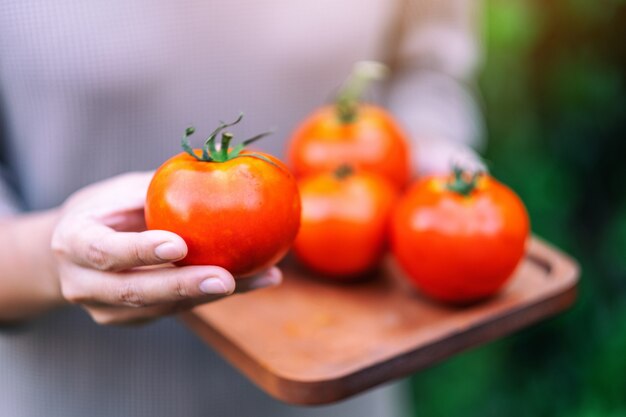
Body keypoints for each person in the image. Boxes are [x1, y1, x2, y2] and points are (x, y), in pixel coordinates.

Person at [0, 0, 484, 416]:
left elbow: (427, 63)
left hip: (342, 378)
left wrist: (428, 149)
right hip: (74, 395)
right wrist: (44, 258)